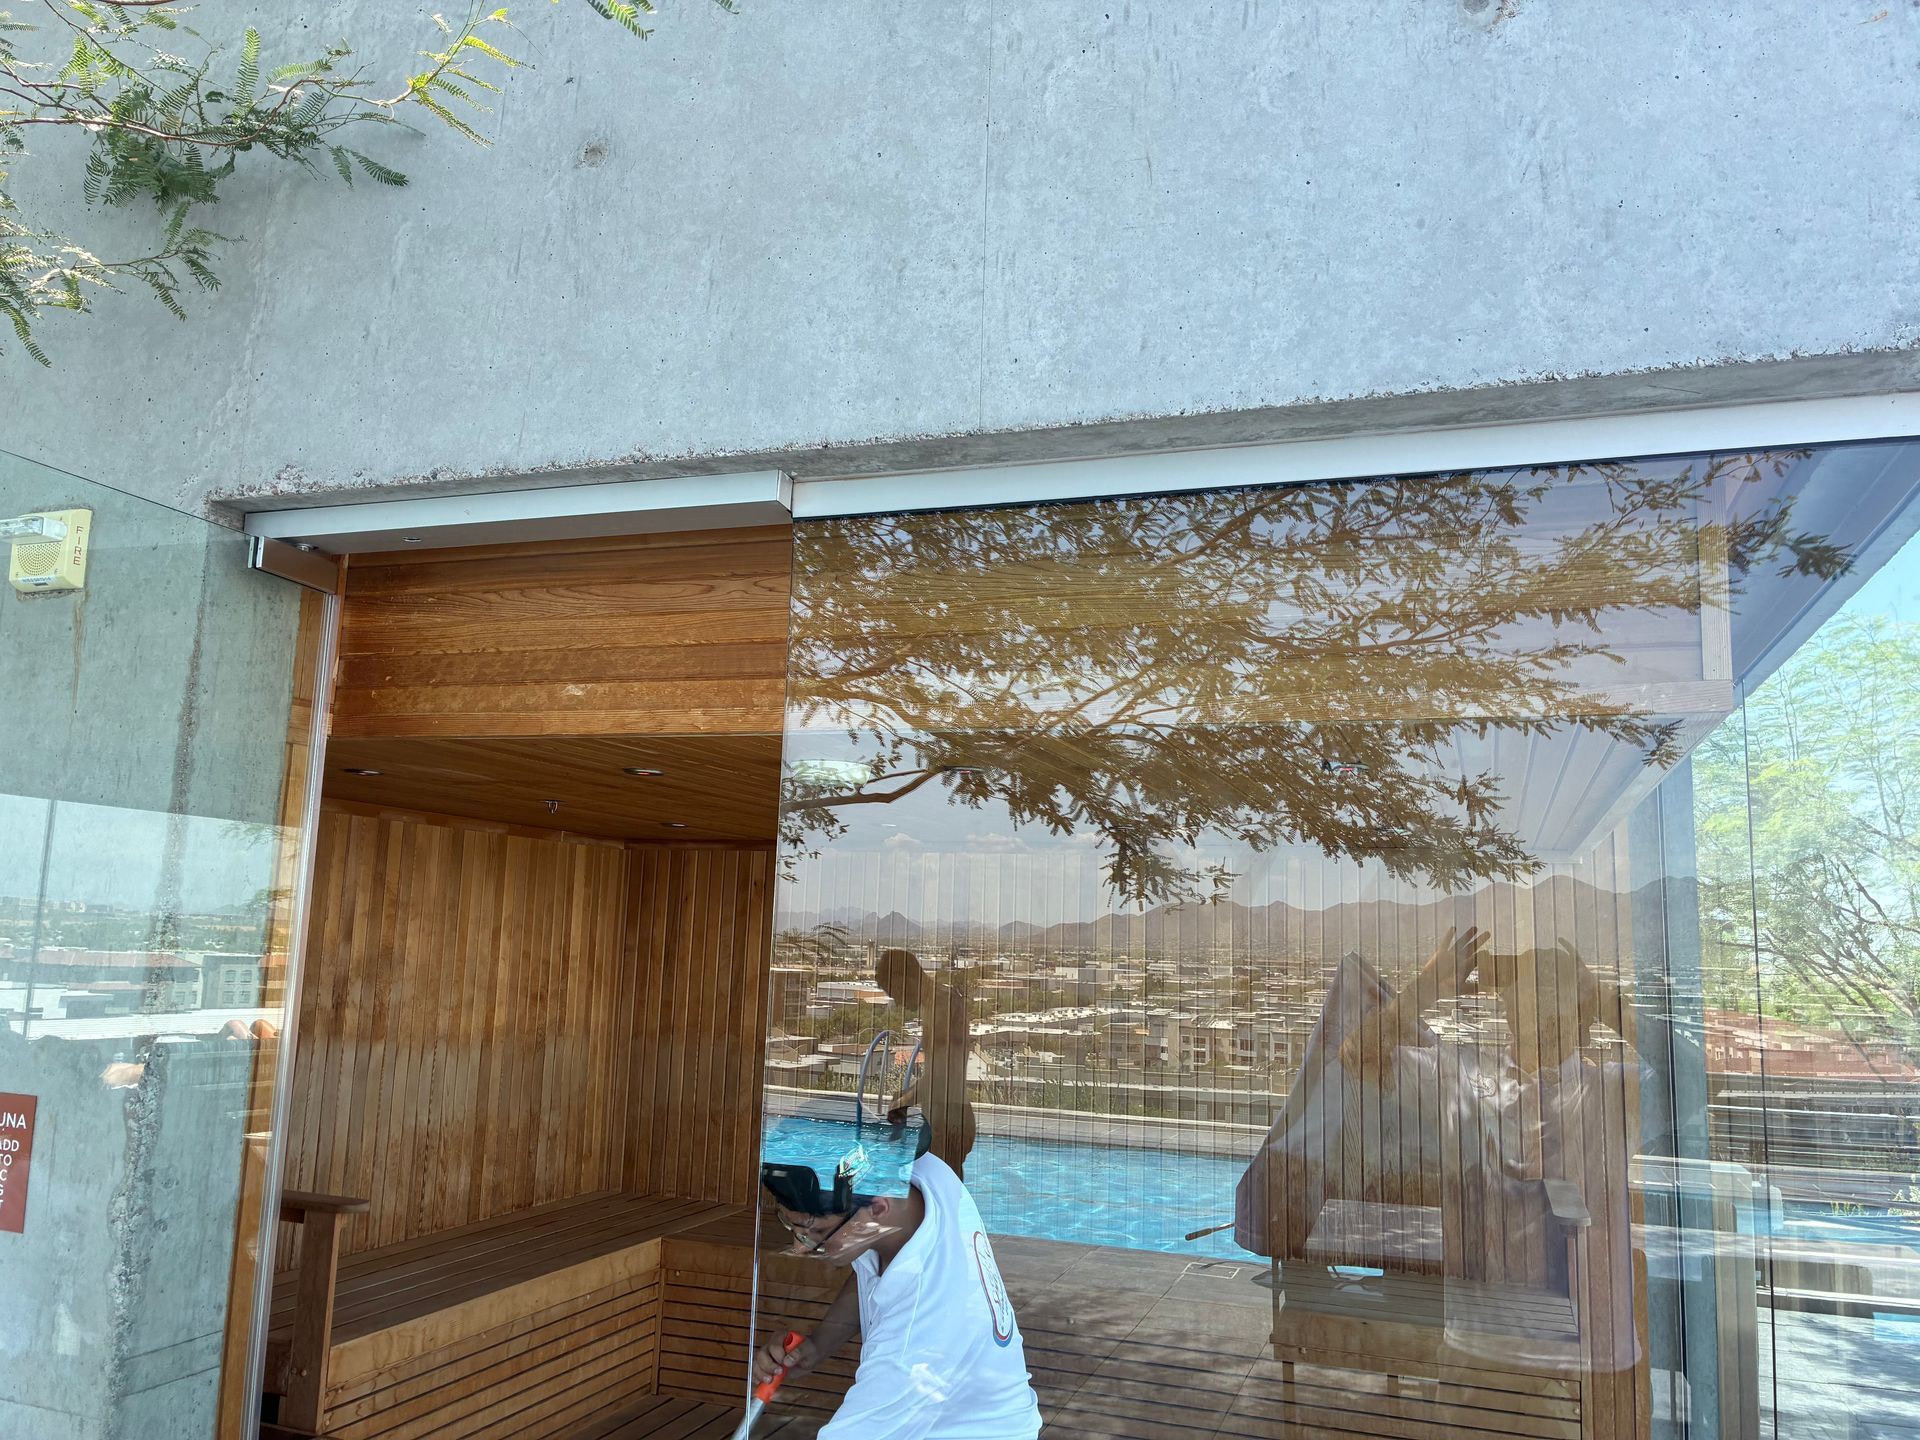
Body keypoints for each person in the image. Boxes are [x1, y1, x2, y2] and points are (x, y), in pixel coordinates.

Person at [755, 1139, 1042, 1439]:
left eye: (817, 1232)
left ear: (878, 1209)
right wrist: (818, 1345)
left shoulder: (913, 1346)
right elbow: (871, 1270)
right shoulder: (923, 1174)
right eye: (794, 1228)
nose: (798, 1249)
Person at [876, 948, 978, 1178]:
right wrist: (907, 1095)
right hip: (944, 1118)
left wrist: (904, 1100)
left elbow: (942, 1074)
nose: (898, 1002)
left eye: (894, 993)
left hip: (949, 1122)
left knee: (941, 1199)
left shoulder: (941, 1005)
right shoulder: (937, 1002)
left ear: (904, 978)